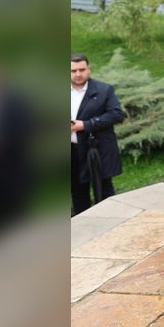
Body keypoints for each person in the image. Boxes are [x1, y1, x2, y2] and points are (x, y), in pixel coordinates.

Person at [70, 54, 124, 215]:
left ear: (89, 69)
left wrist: (85, 125)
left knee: (104, 189)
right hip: (71, 152)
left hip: (96, 150)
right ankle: (83, 229)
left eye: (82, 70)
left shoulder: (103, 90)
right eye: (73, 71)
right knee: (77, 191)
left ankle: (111, 224)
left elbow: (116, 114)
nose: (78, 74)